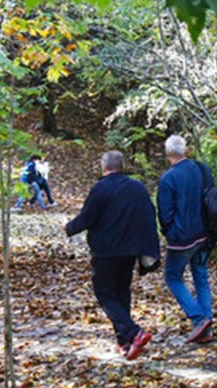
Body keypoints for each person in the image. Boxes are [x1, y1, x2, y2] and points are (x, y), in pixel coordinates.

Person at [64, 150, 160, 360]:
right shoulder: (137, 187)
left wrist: (68, 227)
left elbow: (87, 217)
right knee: (122, 291)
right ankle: (123, 342)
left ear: (104, 167)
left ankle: (134, 333)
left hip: (106, 250)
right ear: (122, 166)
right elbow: (149, 215)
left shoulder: (101, 188)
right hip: (130, 249)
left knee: (105, 293)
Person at [156, 134, 214, 343]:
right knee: (200, 276)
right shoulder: (201, 169)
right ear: (185, 149)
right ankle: (206, 328)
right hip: (204, 233)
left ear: (167, 152)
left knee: (172, 277)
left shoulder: (168, 178)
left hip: (182, 238)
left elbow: (165, 214)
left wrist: (169, 233)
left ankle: (199, 319)